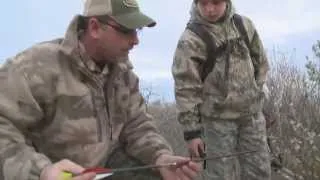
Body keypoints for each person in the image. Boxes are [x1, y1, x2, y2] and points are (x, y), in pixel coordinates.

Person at [0, 0, 202, 180]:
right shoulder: (35, 68)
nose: (135, 40)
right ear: (95, 27)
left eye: (137, 30)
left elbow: (137, 125)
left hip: (102, 170)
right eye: (126, 30)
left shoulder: (123, 74)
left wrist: (160, 156)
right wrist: (42, 171)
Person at [172, 0, 271, 179]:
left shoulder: (244, 25)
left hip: (251, 118)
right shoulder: (190, 39)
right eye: (204, 4)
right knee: (219, 176)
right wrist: (192, 133)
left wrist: (258, 96)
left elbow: (261, 63)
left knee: (260, 173)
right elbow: (185, 88)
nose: (210, 9)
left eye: (216, 3)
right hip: (216, 123)